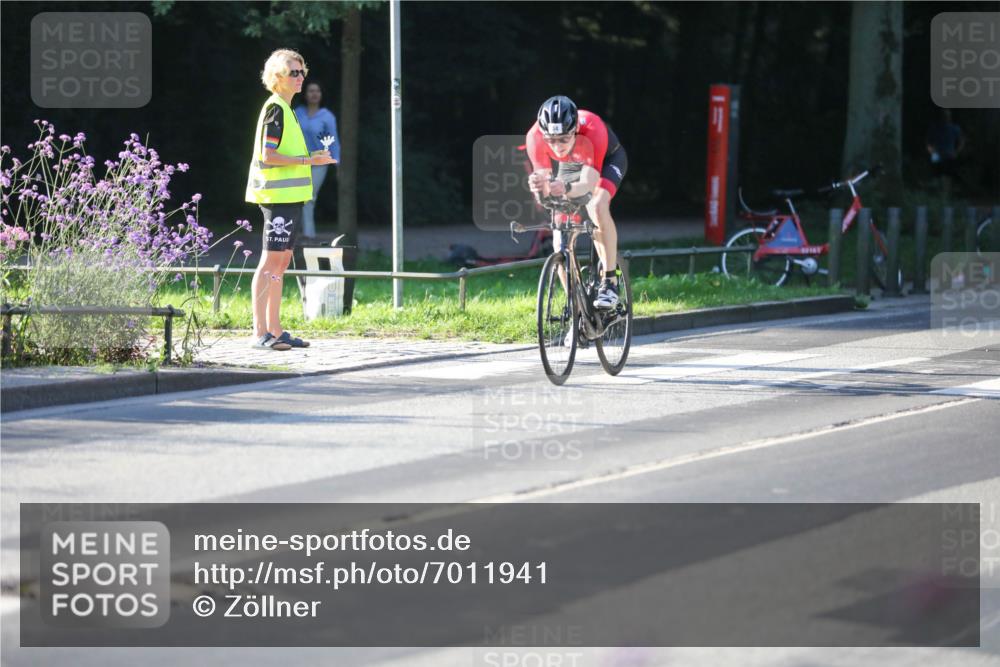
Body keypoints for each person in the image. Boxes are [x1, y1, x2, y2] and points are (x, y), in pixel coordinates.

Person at [245, 49, 336, 351]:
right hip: (277, 198)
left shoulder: (286, 109)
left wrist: (311, 158)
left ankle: (276, 329)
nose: (300, 78)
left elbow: (286, 156)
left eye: (302, 72)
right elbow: (268, 156)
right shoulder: (275, 109)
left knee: (281, 262)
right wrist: (307, 160)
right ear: (277, 78)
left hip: (291, 198)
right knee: (270, 262)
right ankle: (261, 332)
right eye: (293, 72)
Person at [525, 96, 627, 309]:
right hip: (571, 167)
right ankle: (576, 308)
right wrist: (539, 189)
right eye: (551, 140)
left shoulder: (592, 127)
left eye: (563, 138)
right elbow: (544, 194)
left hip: (606, 161)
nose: (557, 146)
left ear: (575, 130)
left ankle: (610, 281)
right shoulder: (534, 137)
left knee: (597, 206)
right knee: (559, 234)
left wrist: (567, 188)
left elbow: (588, 185)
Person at [295, 81, 341, 239]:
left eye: (317, 91)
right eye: (310, 91)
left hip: (319, 163)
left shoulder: (327, 116)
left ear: (321, 94)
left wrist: (337, 163)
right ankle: (299, 234)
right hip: (299, 161)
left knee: (309, 197)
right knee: (298, 197)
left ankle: (308, 235)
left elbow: (333, 140)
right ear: (305, 94)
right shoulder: (297, 113)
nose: (314, 94)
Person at [926, 109, 965, 198]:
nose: (945, 117)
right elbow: (928, 143)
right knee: (937, 177)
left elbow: (961, 141)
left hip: (949, 155)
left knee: (947, 177)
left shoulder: (954, 128)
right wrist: (933, 153)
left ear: (950, 117)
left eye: (947, 115)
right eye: (943, 115)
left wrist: (956, 152)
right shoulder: (935, 128)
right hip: (937, 156)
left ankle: (946, 197)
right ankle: (938, 196)